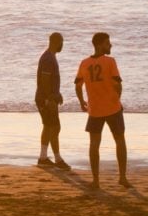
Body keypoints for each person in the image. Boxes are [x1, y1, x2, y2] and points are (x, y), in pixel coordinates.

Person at [75, 32, 130, 189]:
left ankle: (96, 180)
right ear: (99, 45)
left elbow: (78, 85)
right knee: (120, 141)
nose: (110, 45)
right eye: (108, 43)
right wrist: (118, 98)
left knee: (94, 144)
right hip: (113, 108)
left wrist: (81, 102)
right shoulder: (110, 62)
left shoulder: (84, 63)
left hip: (95, 110)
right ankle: (122, 177)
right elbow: (118, 84)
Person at [35, 32, 70, 170]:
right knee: (54, 127)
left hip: (46, 97)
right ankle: (57, 158)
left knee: (49, 126)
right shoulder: (48, 58)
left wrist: (57, 94)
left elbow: (50, 81)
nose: (63, 45)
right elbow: (44, 80)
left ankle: (43, 157)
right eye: (62, 42)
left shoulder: (50, 57)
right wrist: (50, 99)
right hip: (46, 99)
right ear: (56, 42)